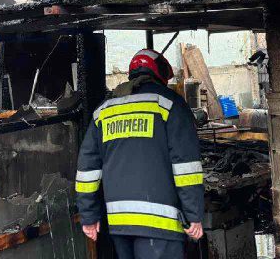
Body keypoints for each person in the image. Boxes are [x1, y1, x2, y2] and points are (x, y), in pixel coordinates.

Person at [76, 48, 204, 259]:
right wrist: (194, 215)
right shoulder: (169, 104)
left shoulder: (104, 111)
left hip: (119, 223)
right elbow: (186, 168)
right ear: (160, 72)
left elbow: (87, 169)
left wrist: (88, 216)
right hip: (161, 224)